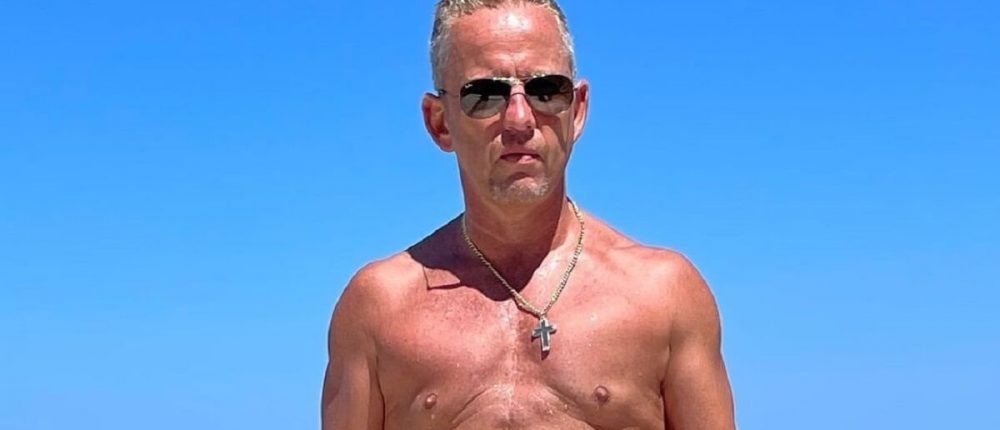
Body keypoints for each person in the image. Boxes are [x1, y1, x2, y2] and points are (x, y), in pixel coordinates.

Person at [321, 1, 736, 428]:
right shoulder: (378, 311)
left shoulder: (664, 296)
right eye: (485, 95)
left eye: (546, 90)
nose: (520, 119)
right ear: (440, 123)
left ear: (577, 110)